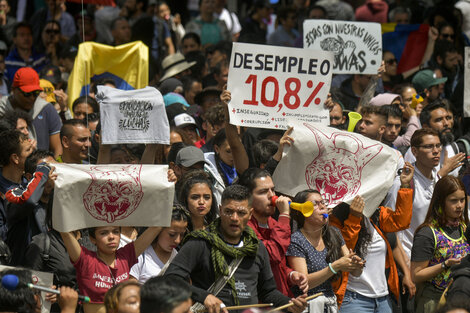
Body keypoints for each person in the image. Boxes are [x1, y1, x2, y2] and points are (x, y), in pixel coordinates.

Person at [165, 184, 307, 313]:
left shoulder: (257, 247)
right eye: (229, 211)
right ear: (220, 210)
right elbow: (171, 279)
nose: (234, 218)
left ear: (250, 214)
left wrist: (290, 304)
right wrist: (204, 297)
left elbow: (268, 292)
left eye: (241, 213)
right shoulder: (201, 242)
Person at [330, 162, 414, 311]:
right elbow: (345, 249)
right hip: (353, 299)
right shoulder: (335, 220)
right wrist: (354, 218)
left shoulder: (376, 214)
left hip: (382, 299)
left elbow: (401, 222)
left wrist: (405, 186)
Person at [287, 189, 364, 312]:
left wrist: (356, 265)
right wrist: (335, 266)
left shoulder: (334, 233)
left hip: (329, 303)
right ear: (303, 211)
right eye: (315, 203)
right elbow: (304, 283)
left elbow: (355, 273)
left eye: (323, 202)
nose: (322, 206)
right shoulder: (296, 240)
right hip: (307, 305)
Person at [238, 168, 308, 297]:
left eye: (272, 189)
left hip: (282, 299)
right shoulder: (242, 227)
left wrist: (291, 275)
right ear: (247, 197)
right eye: (263, 192)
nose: (272, 196)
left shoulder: (275, 223)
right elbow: (272, 255)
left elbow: (277, 266)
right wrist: (285, 215)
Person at [60, 225, 163, 313]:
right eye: (103, 233)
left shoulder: (126, 256)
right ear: (92, 239)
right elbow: (64, 232)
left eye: (116, 232)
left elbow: (157, 227)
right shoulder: (86, 260)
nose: (111, 237)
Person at [411, 176, 470, 313]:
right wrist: (445, 264)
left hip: (460, 298)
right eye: (453, 201)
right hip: (434, 300)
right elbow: (416, 275)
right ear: (440, 201)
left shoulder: (464, 227)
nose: (459, 205)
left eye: (462, 200)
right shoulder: (427, 233)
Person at [0, 67, 63, 157]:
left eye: (36, 93)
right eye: (27, 94)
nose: (32, 98)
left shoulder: (46, 109)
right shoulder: (2, 109)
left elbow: (58, 149)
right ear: (14, 90)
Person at [130, 205, 188, 283]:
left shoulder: (179, 258)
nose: (177, 240)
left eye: (181, 235)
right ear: (158, 231)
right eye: (172, 234)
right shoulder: (140, 256)